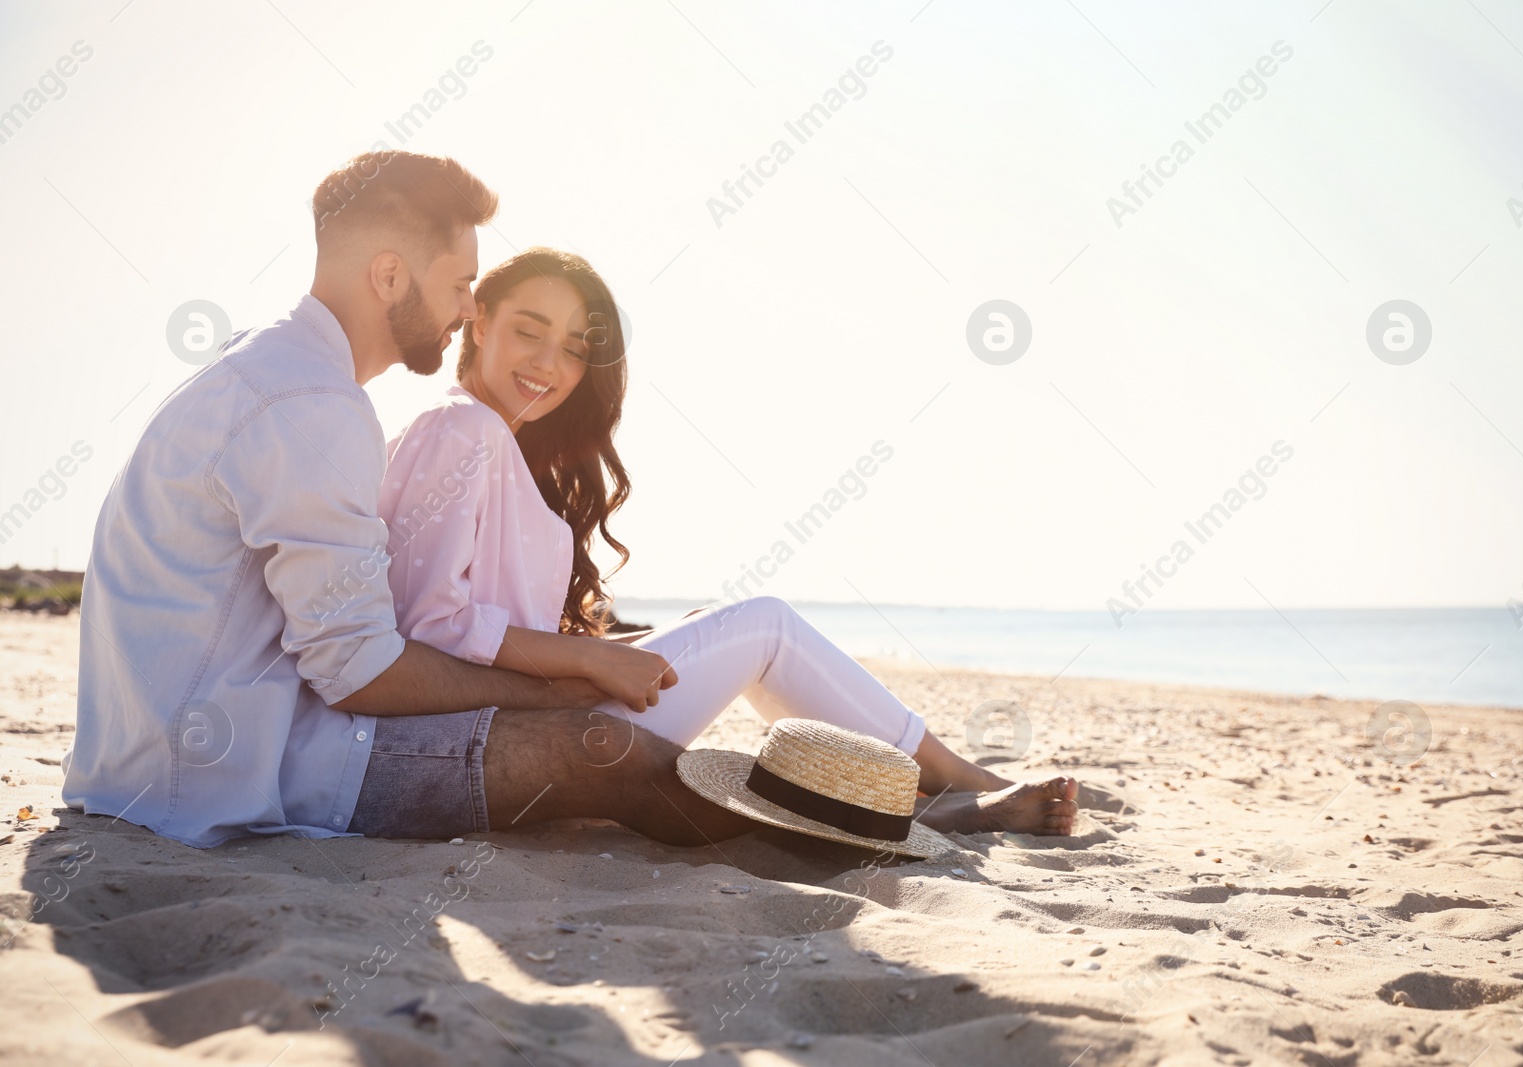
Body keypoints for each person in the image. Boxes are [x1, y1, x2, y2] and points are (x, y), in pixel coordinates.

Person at [63, 151, 776, 849]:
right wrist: (560, 688)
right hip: (225, 779)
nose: (470, 307)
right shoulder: (315, 407)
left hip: (136, 767)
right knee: (604, 749)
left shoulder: (260, 367)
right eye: (462, 282)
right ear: (390, 274)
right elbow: (358, 673)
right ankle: (854, 826)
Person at [369, 246, 1080, 842]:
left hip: (525, 708)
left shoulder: (488, 440)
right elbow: (426, 625)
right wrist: (589, 655)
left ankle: (921, 786)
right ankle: (954, 779)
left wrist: (607, 648)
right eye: (529, 330)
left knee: (725, 623)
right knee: (764, 625)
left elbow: (476, 616)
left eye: (576, 349)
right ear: (480, 319)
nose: (549, 362)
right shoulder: (461, 429)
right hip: (507, 733)